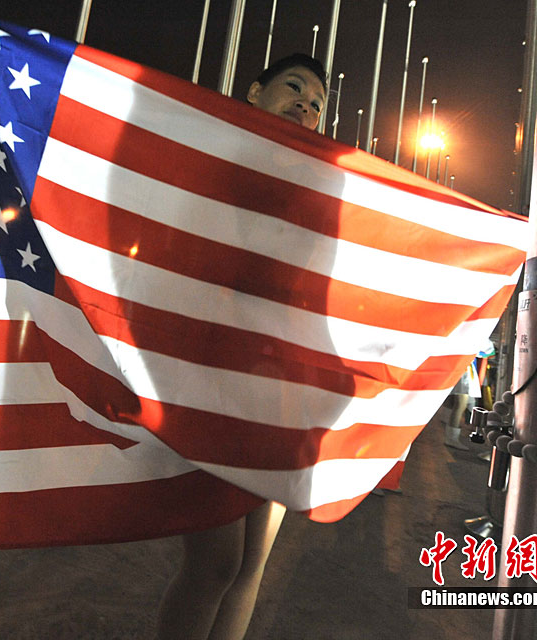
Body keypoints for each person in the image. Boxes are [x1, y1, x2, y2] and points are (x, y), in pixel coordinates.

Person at [155, 54, 328, 640]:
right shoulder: (216, 162)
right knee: (215, 563)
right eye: (293, 87)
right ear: (254, 92)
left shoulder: (312, 192)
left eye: (317, 104)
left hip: (279, 391)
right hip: (213, 379)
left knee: (251, 564)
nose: (305, 104)